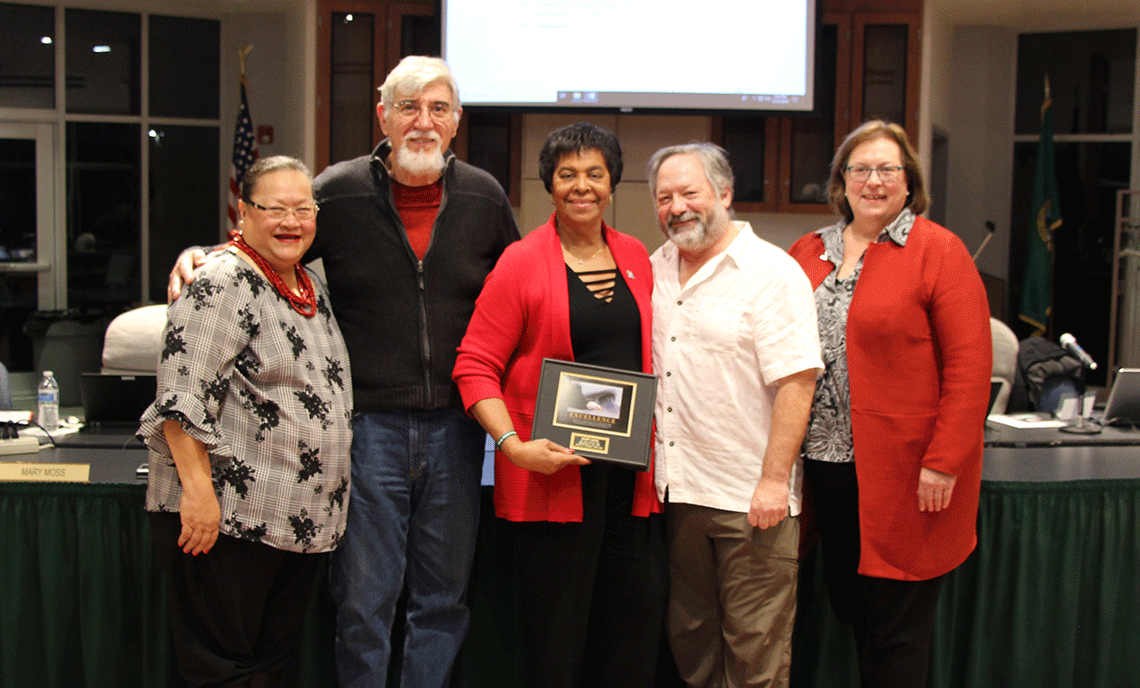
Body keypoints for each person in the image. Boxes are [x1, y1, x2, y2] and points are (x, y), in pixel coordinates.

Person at [168, 56, 520, 688]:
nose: (423, 122)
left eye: (438, 108)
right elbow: (274, 238)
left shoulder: (485, 197)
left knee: (442, 602)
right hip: (368, 431)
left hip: (456, 431)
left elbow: (518, 292)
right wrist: (200, 254)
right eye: (408, 107)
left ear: (456, 121)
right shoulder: (340, 189)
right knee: (364, 602)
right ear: (382, 114)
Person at [453, 122, 666, 688]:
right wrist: (513, 447)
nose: (582, 186)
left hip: (628, 483)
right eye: (567, 174)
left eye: (595, 173)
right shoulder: (521, 262)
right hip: (553, 480)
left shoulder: (636, 257)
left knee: (628, 638)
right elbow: (474, 366)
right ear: (548, 184)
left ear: (613, 183)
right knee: (557, 646)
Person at [787, 120, 991, 688]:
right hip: (821, 475)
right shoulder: (807, 251)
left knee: (896, 638)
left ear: (909, 183)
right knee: (852, 613)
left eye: (887, 170)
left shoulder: (938, 251)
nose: (872, 181)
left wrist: (944, 460)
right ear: (841, 181)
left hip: (905, 477)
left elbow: (971, 370)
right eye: (860, 169)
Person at [142, 155, 353, 688]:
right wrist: (198, 493)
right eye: (275, 208)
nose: (292, 221)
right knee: (223, 669)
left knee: (267, 668)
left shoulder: (309, 285)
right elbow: (181, 398)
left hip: (292, 523)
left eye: (303, 209)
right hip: (228, 518)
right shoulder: (219, 281)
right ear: (243, 211)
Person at [648, 143, 821, 688]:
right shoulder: (653, 269)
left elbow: (797, 383)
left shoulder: (772, 272)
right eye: (665, 197)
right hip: (677, 497)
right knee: (692, 645)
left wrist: (774, 480)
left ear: (723, 194)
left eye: (690, 193)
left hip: (751, 502)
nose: (677, 207)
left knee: (756, 659)